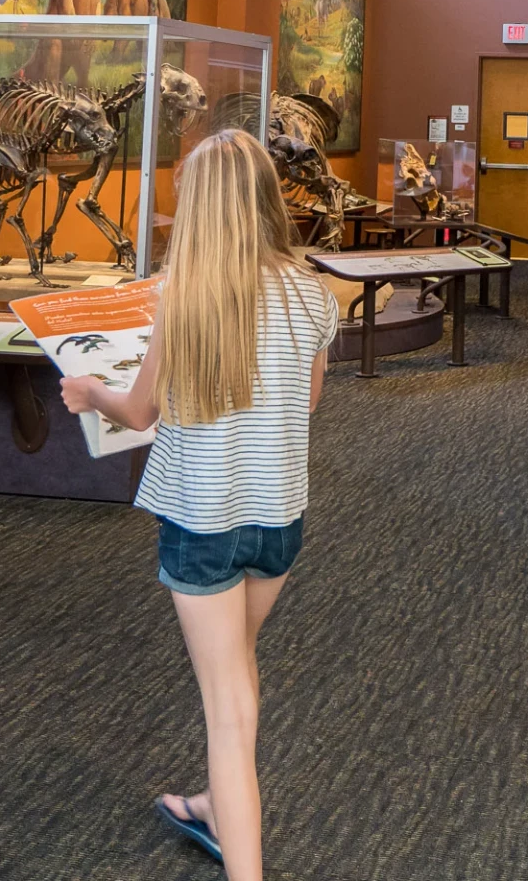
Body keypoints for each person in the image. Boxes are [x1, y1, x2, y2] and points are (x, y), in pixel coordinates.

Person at [60, 128, 338, 881]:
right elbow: (306, 402)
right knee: (237, 675)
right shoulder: (313, 293)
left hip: (202, 524)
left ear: (202, 207)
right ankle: (217, 801)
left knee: (229, 708)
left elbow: (140, 412)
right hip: (278, 524)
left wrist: (88, 392)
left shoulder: (185, 297)